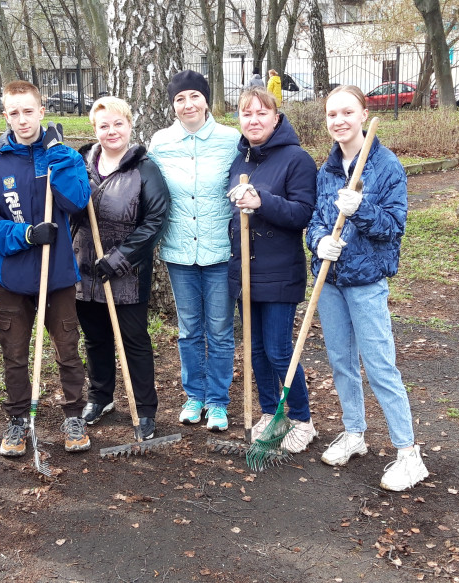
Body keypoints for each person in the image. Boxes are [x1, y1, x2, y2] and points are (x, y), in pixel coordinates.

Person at [307, 85, 429, 491]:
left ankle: (408, 453)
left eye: (347, 112)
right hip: (330, 280)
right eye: (332, 114)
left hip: (366, 281)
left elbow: (393, 227)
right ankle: (354, 433)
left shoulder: (386, 166)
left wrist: (361, 209)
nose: (339, 121)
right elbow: (316, 220)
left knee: (379, 366)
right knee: (341, 362)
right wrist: (318, 242)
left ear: (363, 115)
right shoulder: (326, 170)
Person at [0, 80, 93, 457]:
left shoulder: (65, 157)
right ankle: (18, 420)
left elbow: (77, 201)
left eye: (29, 111)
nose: (22, 119)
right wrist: (24, 234)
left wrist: (57, 159)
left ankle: (73, 416)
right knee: (14, 353)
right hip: (13, 278)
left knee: (67, 349)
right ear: (5, 116)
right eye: (15, 113)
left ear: (42, 111)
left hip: (57, 275)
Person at [147, 70, 241, 432]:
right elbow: (148, 188)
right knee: (189, 330)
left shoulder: (230, 140)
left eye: (194, 96)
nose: (188, 105)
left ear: (206, 100)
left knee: (219, 330)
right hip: (179, 251)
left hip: (220, 250)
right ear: (173, 105)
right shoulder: (161, 142)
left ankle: (217, 401)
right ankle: (194, 396)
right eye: (180, 99)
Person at [226, 87, 318, 454]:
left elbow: (302, 214)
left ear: (276, 118)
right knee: (256, 350)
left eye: (261, 113)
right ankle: (270, 413)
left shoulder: (297, 159)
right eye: (247, 114)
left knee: (279, 350)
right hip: (245, 271)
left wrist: (262, 201)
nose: (254, 120)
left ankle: (302, 419)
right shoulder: (240, 161)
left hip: (279, 270)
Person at [72, 97, 170, 437]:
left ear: (129, 125)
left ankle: (144, 409)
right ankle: (100, 397)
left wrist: (119, 259)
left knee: (134, 340)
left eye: (118, 124)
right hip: (85, 265)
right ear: (94, 129)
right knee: (95, 338)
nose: (111, 131)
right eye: (104, 125)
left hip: (127, 271)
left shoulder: (145, 168)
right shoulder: (81, 165)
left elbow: (156, 219)